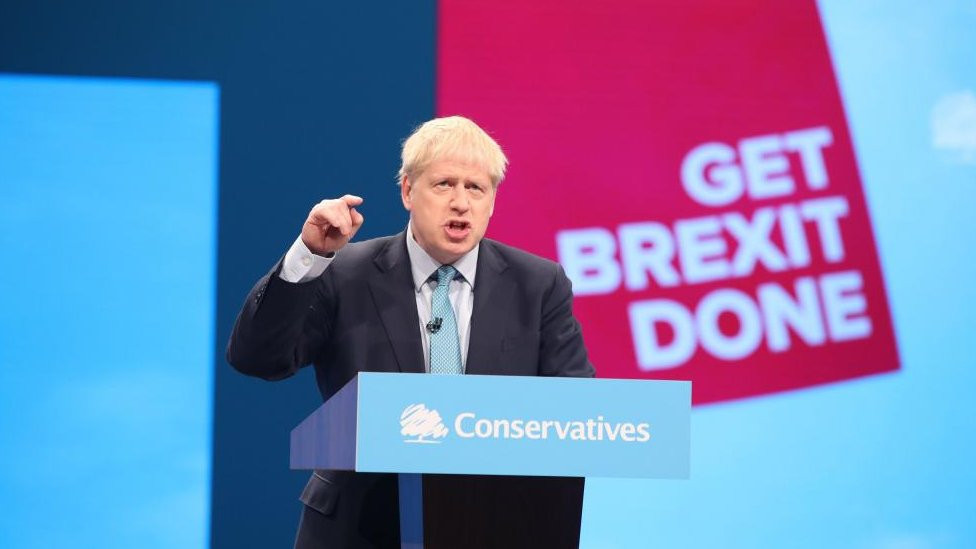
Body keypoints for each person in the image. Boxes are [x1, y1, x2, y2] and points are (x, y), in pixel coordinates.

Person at [227, 115, 595, 548]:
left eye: (475, 188)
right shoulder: (343, 273)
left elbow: (575, 412)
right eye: (444, 185)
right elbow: (258, 358)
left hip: (495, 524)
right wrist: (307, 256)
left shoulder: (538, 283)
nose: (461, 202)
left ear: (492, 201)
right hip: (358, 527)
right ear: (407, 191)